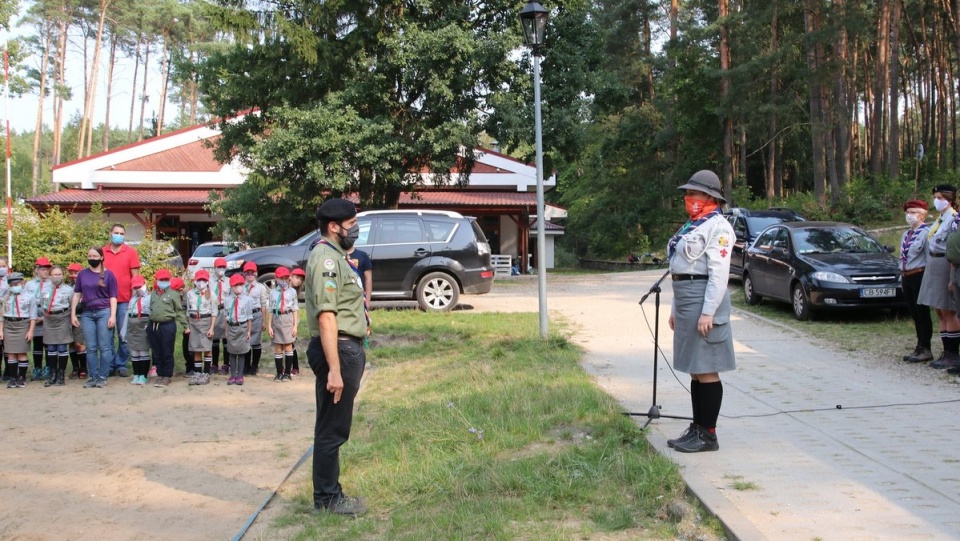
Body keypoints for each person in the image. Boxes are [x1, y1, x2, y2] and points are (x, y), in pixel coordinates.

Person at [665, 170, 736, 454]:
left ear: (709, 196)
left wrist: (708, 312)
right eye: (688, 193)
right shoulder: (694, 225)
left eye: (694, 193)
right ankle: (697, 427)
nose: (688, 197)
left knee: (706, 368)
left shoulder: (718, 227)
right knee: (695, 369)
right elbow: (680, 269)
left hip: (704, 299)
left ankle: (708, 434)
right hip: (687, 300)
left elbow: (718, 275)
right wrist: (674, 307)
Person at [306, 198, 368, 516]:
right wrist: (334, 369)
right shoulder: (326, 260)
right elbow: (327, 317)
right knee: (332, 428)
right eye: (351, 223)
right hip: (338, 351)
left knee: (333, 427)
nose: (355, 229)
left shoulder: (336, 256)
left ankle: (330, 493)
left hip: (346, 348)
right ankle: (327, 499)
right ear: (334, 227)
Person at [917, 185, 960, 370]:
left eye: (939, 197)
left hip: (945, 264)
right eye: (935, 197)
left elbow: (952, 247)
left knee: (948, 310)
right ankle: (946, 352)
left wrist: (951, 275)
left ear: (949, 200)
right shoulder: (940, 219)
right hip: (933, 263)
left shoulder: (953, 219)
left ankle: (952, 354)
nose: (936, 201)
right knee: (939, 311)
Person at [71, 247, 118, 389]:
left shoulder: (109, 275)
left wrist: (112, 316)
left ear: (101, 257)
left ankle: (103, 376)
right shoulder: (82, 274)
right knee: (90, 347)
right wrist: (73, 313)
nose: (92, 258)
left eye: (95, 255)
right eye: (89, 255)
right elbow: (77, 294)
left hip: (104, 311)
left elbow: (113, 297)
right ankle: (92, 376)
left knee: (104, 346)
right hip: (87, 313)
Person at [102, 224, 141, 377]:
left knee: (124, 334)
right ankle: (110, 363)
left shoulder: (131, 252)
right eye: (116, 232)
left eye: (122, 233)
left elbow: (136, 278)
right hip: (105, 300)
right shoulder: (102, 252)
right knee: (108, 333)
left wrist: (133, 300)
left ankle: (121, 363)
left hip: (125, 300)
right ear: (110, 233)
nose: (119, 235)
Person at [901, 200, 934, 363]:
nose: (910, 215)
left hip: (919, 275)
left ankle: (926, 348)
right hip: (907, 276)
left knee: (922, 313)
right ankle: (919, 345)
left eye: (913, 212)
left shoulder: (926, 233)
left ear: (922, 215)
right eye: (908, 212)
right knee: (914, 313)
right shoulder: (907, 234)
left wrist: (929, 279)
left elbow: (929, 258)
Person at [148, 269, 186, 388]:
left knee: (167, 350)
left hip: (167, 325)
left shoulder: (173, 294)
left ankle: (167, 375)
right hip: (154, 325)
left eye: (166, 280)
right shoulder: (153, 294)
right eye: (161, 280)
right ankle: (160, 374)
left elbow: (179, 311)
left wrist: (185, 325)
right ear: (157, 280)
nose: (163, 282)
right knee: (156, 351)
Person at [2, 272, 37, 388]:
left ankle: (21, 377)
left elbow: (33, 316)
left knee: (21, 352)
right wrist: (1, 331)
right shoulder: (6, 297)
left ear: (22, 283)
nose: (14, 286)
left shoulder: (29, 297)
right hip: (9, 325)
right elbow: (1, 316)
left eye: (17, 283)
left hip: (23, 324)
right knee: (11, 353)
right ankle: (13, 377)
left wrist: (31, 331)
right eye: (12, 284)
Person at [41, 266, 74, 386]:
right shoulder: (44, 289)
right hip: (49, 319)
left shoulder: (69, 290)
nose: (57, 276)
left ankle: (61, 375)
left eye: (59, 274)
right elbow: (42, 303)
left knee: (61, 347)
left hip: (63, 318)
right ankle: (52, 375)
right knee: (51, 348)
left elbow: (71, 304)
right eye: (55, 274)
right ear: (50, 276)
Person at [185, 269, 217, 385]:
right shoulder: (190, 293)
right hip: (194, 322)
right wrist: (188, 325)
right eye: (199, 280)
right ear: (195, 281)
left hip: (206, 321)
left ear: (207, 281)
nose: (201, 282)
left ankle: (206, 373)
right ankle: (197, 373)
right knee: (196, 348)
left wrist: (212, 327)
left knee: (207, 348)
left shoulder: (211, 294)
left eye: (203, 280)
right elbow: (188, 311)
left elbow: (214, 311)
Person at [267, 266, 299, 381]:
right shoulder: (272, 293)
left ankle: (287, 373)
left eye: (286, 278)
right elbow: (270, 310)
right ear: (276, 278)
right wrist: (269, 325)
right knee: (278, 347)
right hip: (276, 319)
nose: (284, 281)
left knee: (288, 346)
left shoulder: (292, 292)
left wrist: (295, 326)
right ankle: (279, 372)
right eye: (281, 278)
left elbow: (295, 309)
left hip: (288, 319)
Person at [25, 257, 52, 381]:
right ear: (36, 270)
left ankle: (48, 367)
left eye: (47, 269)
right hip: (33, 316)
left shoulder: (52, 283)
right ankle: (37, 368)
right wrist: (33, 318)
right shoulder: (29, 284)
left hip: (47, 316)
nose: (45, 272)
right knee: (37, 344)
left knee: (48, 343)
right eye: (42, 269)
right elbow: (25, 300)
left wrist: (44, 318)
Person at [223, 273, 253, 385]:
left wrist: (249, 330)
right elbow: (225, 316)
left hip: (242, 327)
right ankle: (232, 375)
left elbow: (249, 316)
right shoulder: (227, 299)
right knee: (231, 352)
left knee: (241, 352)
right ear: (231, 286)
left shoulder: (247, 299)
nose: (238, 287)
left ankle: (240, 375)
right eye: (236, 285)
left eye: (240, 285)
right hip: (231, 327)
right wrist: (226, 330)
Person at [123, 275, 152, 385]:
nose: (137, 289)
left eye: (139, 287)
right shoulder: (133, 299)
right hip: (132, 325)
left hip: (143, 324)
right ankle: (136, 375)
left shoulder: (149, 298)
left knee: (143, 351)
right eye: (135, 288)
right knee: (134, 352)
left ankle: (143, 375)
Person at [242, 262, 269, 375]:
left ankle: (255, 366)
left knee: (256, 341)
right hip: (244, 316)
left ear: (256, 273)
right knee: (246, 341)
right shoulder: (241, 286)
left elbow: (263, 304)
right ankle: (246, 366)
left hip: (256, 315)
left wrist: (264, 320)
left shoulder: (260, 288)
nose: (250, 275)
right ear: (244, 274)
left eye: (252, 272)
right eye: (247, 273)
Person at [66, 263, 88, 380]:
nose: (73, 275)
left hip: (80, 316)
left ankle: (83, 368)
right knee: (71, 344)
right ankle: (75, 368)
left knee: (80, 344)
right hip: (68, 317)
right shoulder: (67, 287)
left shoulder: (84, 285)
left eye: (76, 273)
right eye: (71, 273)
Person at [210, 258, 230, 375]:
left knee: (226, 338)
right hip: (214, 311)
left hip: (225, 310)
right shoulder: (209, 281)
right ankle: (214, 364)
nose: (221, 269)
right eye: (219, 267)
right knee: (214, 339)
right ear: (215, 268)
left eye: (223, 267)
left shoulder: (229, 281)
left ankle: (226, 364)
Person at [289, 268, 307, 375]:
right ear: (290, 276)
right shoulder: (286, 289)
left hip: (293, 319)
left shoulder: (295, 292)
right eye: (297, 278)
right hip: (285, 318)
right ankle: (292, 366)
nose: (299, 281)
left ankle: (294, 366)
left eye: (301, 279)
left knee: (291, 343)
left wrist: (295, 323)